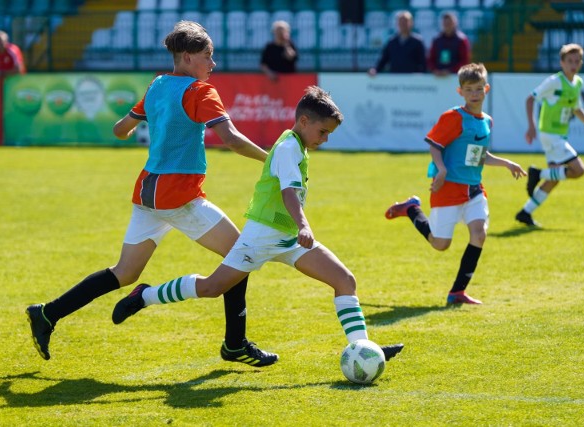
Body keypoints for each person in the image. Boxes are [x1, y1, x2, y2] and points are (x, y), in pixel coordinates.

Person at [26, 20, 279, 367]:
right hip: (179, 197)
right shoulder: (199, 91)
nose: (213, 64)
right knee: (241, 257)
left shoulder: (158, 84)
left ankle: (47, 313)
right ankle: (234, 345)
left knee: (124, 273)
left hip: (148, 193)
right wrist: (272, 161)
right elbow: (231, 138)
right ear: (188, 57)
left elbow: (120, 129)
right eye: (208, 56)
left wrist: (145, 129)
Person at [112, 86, 404, 362]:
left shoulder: (299, 146)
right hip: (262, 235)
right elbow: (287, 191)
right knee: (213, 287)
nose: (325, 139)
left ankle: (363, 350)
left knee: (345, 281)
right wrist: (303, 225)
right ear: (304, 121)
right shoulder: (288, 148)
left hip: (288, 238)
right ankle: (145, 295)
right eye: (323, 131)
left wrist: (297, 229)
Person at [385, 63, 526, 305]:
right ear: (460, 91)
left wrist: (507, 164)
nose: (474, 94)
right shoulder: (453, 117)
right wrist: (441, 169)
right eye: (469, 89)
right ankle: (411, 209)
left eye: (479, 89)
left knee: (479, 234)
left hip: (474, 189)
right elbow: (435, 145)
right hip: (447, 189)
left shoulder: (487, 121)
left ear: (487, 89)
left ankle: (457, 292)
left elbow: (478, 155)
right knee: (440, 244)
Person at [515, 43, 584, 227]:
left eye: (577, 61)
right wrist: (531, 126)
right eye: (569, 61)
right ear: (562, 62)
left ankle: (525, 212)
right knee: (579, 170)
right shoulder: (554, 81)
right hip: (550, 134)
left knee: (554, 179)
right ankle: (537, 173)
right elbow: (530, 98)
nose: (573, 65)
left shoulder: (578, 82)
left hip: (560, 134)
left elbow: (576, 109)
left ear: (581, 62)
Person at [368, 10, 426, 76]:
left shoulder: (418, 42)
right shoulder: (391, 42)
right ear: (397, 23)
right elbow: (383, 60)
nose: (403, 24)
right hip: (395, 81)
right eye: (401, 21)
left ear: (411, 23)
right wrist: (375, 70)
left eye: (405, 21)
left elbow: (423, 64)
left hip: (412, 82)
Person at [427, 12, 471, 77]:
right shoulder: (436, 40)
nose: (447, 25)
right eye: (445, 23)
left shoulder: (462, 40)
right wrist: (435, 70)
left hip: (456, 77)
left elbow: (465, 61)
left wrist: (451, 71)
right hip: (438, 78)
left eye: (449, 23)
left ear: (455, 23)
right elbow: (430, 59)